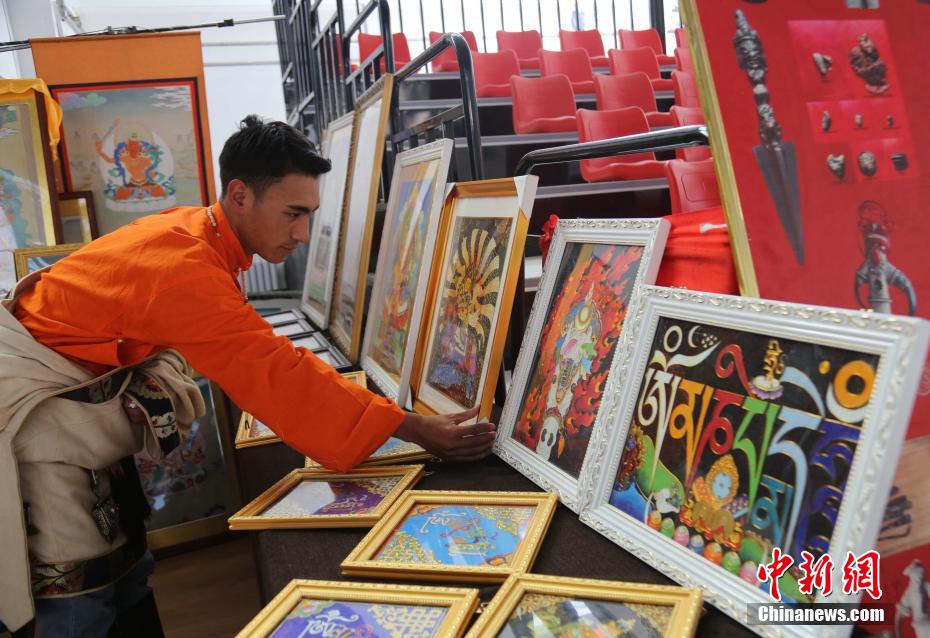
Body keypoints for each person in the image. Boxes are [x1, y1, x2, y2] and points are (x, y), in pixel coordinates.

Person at [0, 115, 497, 637]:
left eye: (310, 215)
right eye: (292, 214)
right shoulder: (186, 264)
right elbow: (275, 370)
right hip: (38, 414)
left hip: (78, 402)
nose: (302, 234)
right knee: (79, 590)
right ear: (240, 196)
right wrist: (413, 428)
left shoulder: (196, 233)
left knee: (128, 568)